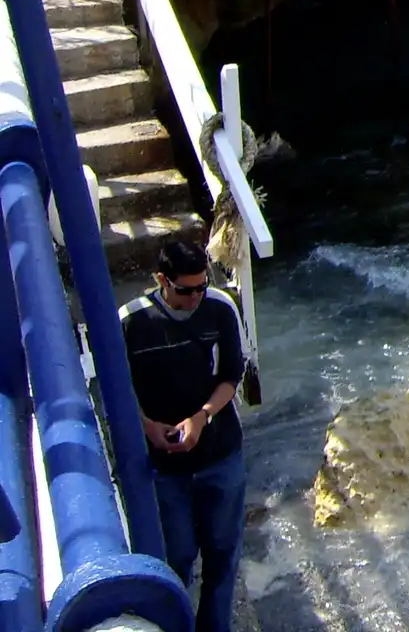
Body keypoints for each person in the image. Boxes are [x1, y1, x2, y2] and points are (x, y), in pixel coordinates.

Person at [120, 240, 246, 632]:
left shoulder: (219, 308)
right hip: (163, 465)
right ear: (161, 280)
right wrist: (146, 426)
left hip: (219, 454)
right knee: (175, 556)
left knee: (222, 554)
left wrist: (202, 417)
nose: (195, 297)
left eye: (201, 287)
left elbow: (231, 376)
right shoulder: (131, 321)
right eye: (185, 289)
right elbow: (118, 389)